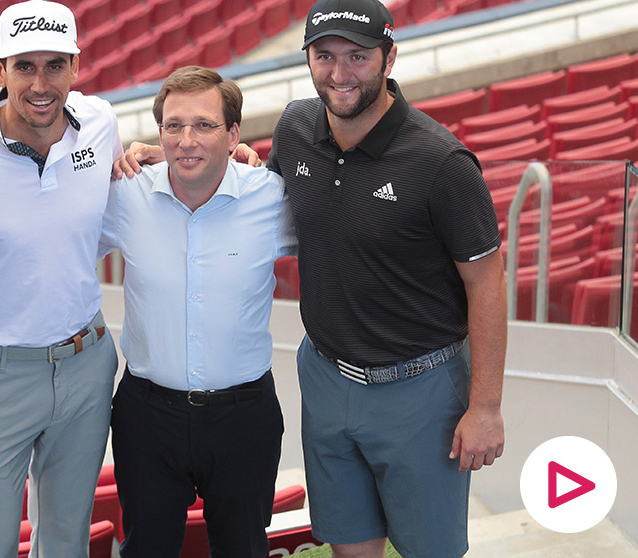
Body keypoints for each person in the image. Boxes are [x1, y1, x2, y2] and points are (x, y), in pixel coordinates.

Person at [267, 0, 507, 556]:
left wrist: (486, 406)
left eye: (358, 56)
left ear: (389, 57)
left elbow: (487, 282)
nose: (339, 73)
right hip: (325, 374)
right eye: (324, 56)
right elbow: (258, 187)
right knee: (349, 544)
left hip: (419, 390)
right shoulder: (296, 126)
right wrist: (172, 154)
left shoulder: (442, 162)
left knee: (429, 550)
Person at [0, 1, 122, 556]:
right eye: (24, 67)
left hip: (86, 366)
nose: (40, 83)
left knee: (66, 542)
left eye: (54, 65)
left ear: (76, 67)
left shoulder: (100, 123)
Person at [100, 66, 295, 558]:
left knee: (244, 549)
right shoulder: (125, 193)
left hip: (244, 417)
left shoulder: (271, 198)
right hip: (147, 416)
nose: (187, 140)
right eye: (173, 126)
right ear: (158, 132)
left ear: (234, 134)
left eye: (204, 125)